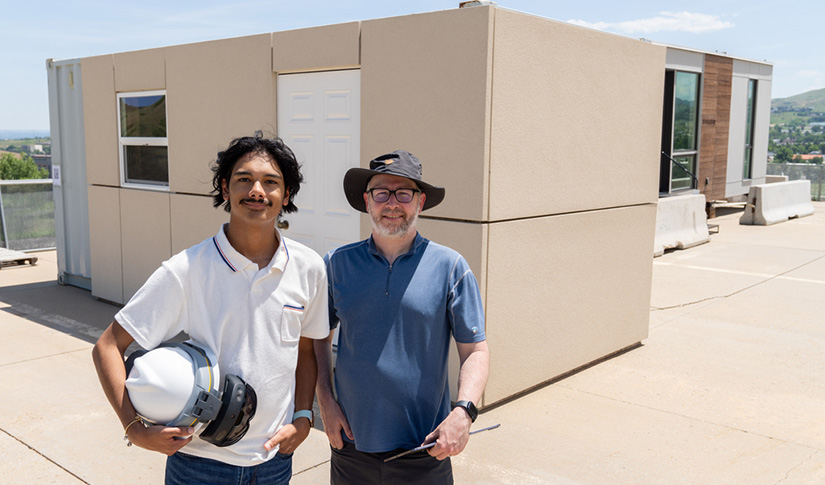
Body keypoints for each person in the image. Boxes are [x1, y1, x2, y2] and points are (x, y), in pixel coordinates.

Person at [92, 134, 329, 484]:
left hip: (275, 460)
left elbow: (306, 350)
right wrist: (135, 429)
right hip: (199, 464)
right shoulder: (187, 269)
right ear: (224, 188)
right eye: (244, 179)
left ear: (287, 194)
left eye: (271, 182)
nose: (257, 191)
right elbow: (108, 346)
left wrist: (304, 417)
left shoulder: (309, 268)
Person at [314, 150, 490, 484]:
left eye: (404, 194)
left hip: (424, 449)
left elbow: (475, 351)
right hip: (351, 446)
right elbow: (317, 337)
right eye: (381, 193)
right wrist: (325, 401)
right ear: (367, 201)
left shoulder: (451, 267)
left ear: (420, 202)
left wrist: (463, 411)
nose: (392, 203)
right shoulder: (336, 264)